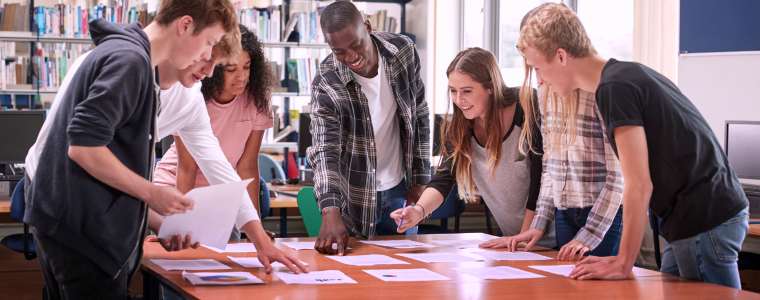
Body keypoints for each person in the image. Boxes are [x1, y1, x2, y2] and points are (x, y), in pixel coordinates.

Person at [518, 3, 749, 289]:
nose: (539, 79)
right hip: (690, 217)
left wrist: (623, 262)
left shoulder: (615, 89)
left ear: (561, 56)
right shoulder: (625, 75)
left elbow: (638, 183)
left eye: (538, 67)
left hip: (705, 217)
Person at [22, 1, 239, 298]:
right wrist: (152, 193)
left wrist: (157, 221)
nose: (206, 56)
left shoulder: (134, 60)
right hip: (81, 225)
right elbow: (83, 148)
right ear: (185, 26)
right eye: (208, 44)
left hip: (68, 218)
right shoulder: (130, 61)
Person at [391, 48, 556, 250]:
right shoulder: (462, 126)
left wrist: (522, 236)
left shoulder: (527, 106)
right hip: (514, 239)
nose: (459, 100)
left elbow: (540, 179)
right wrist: (418, 211)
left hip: (554, 237)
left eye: (467, 91)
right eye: (453, 90)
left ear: (491, 87)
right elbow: (444, 178)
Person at [307, 1, 430, 255]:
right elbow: (324, 150)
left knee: (406, 278)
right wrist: (330, 210)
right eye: (339, 51)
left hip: (400, 190)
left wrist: (420, 180)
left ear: (367, 27)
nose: (350, 57)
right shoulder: (327, 82)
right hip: (353, 196)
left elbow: (419, 114)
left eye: (355, 45)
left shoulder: (403, 51)